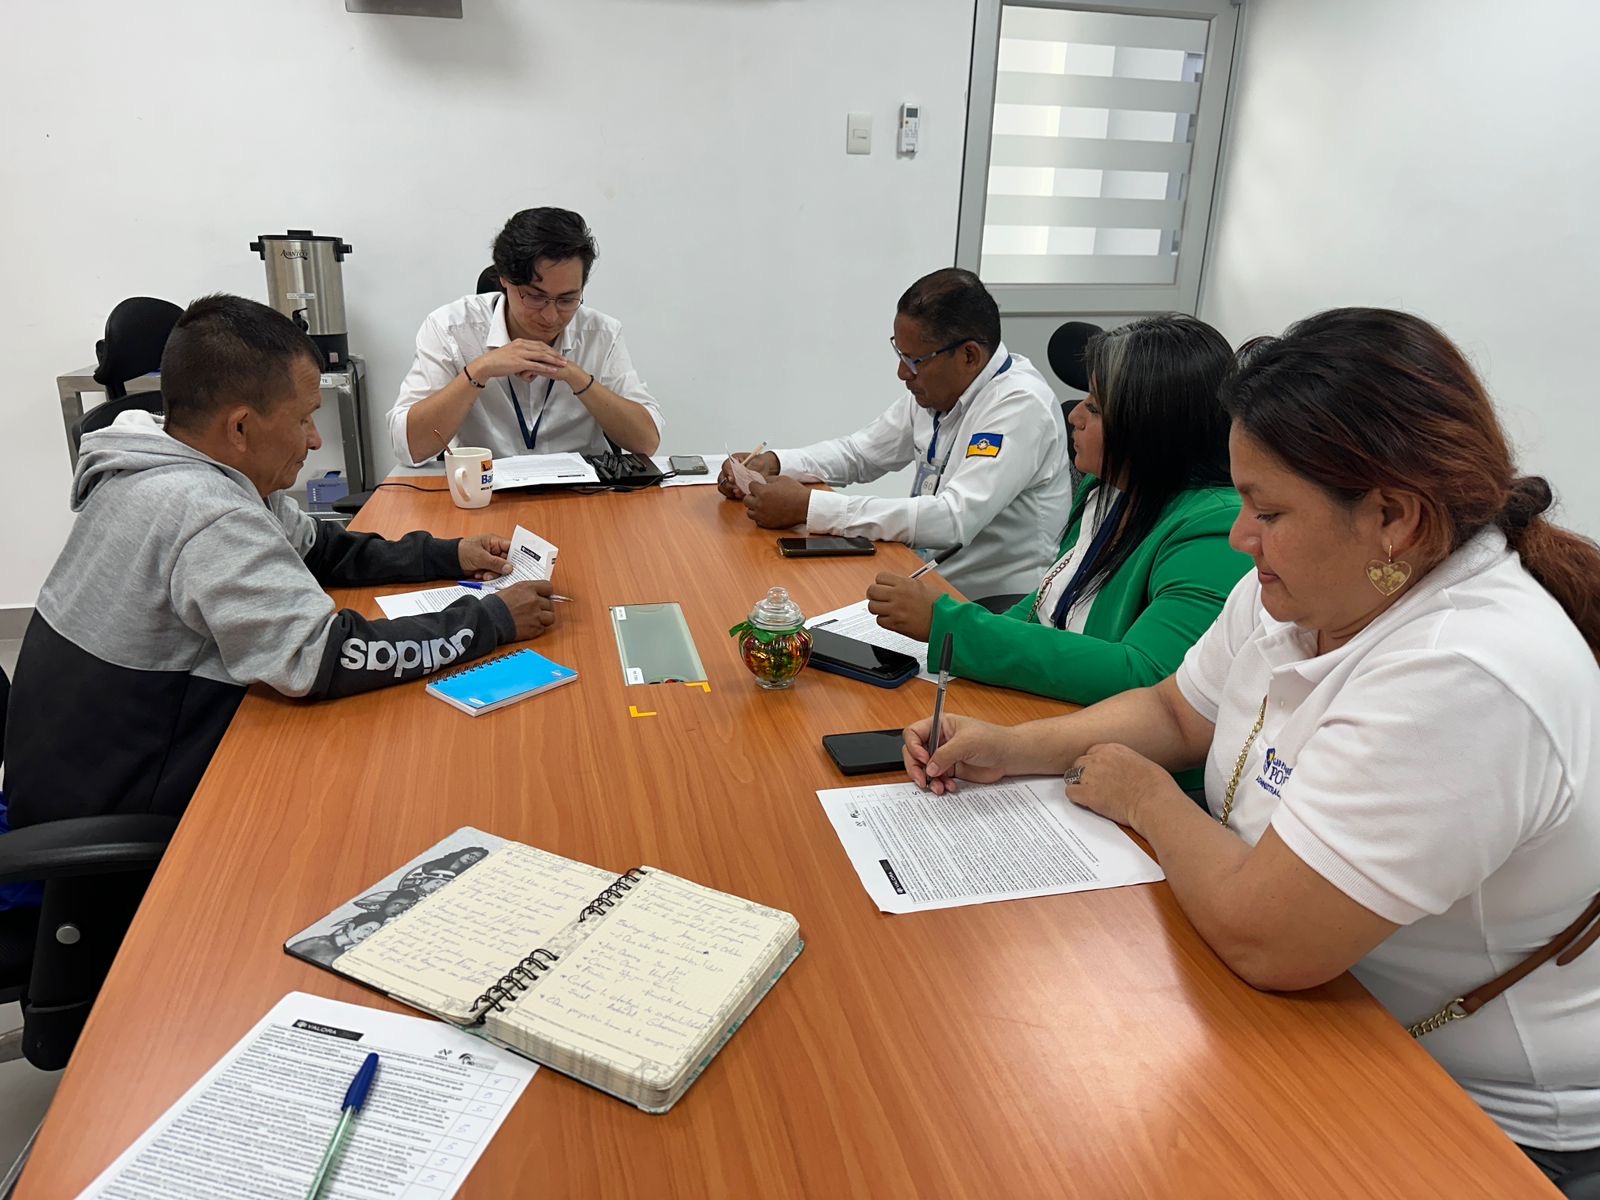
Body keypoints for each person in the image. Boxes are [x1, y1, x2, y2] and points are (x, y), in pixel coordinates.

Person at [901, 308, 1600, 1181]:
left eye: (1268, 509)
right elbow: (1175, 712)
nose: (1240, 536)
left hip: (1473, 1114)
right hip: (1323, 1020)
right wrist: (1011, 746)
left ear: (1394, 518)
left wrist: (1145, 796)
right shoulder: (1315, 587)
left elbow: (1271, 940)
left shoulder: (1465, 671)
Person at [4, 295, 556, 828]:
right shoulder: (206, 511)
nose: (315, 440)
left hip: (93, 766)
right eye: (305, 418)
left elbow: (322, 549)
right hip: (118, 809)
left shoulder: (170, 455)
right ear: (240, 427)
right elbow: (325, 659)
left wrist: (448, 553)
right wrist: (492, 619)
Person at [865, 315, 1251, 714]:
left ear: (1152, 428)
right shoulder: (1109, 489)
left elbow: (1146, 676)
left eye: (1095, 408)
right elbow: (1045, 603)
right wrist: (965, 634)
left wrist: (949, 626)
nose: (1074, 416)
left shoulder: (1215, 531)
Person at [719, 268, 1072, 600]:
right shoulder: (939, 391)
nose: (903, 373)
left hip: (991, 605)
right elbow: (860, 454)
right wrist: (776, 463)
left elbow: (953, 519)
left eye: (915, 360)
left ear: (969, 356)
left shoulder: (1020, 406)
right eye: (900, 354)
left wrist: (809, 507)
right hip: (921, 578)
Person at [388, 207, 662, 465]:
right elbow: (409, 447)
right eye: (535, 297)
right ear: (505, 279)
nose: (551, 316)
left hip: (582, 489)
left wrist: (575, 377)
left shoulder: (601, 334)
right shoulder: (451, 328)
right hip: (486, 486)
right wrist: (481, 369)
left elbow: (647, 442)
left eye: (567, 299)